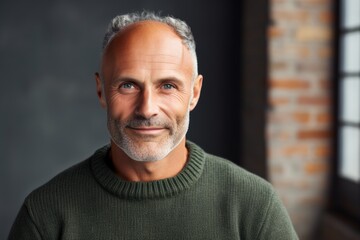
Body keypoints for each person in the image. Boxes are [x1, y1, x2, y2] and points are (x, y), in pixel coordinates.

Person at [8, 11, 298, 240]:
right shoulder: (45, 214)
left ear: (194, 93)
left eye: (168, 86)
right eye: (128, 85)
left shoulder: (254, 206)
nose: (147, 108)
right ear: (100, 91)